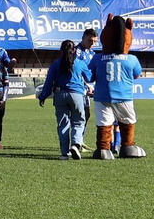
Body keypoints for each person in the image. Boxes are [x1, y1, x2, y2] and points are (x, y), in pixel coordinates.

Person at [88, 26, 141, 156]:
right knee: (127, 121)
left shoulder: (97, 58)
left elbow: (90, 76)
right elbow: (137, 75)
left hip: (102, 96)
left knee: (104, 123)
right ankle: (127, 147)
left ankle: (103, 150)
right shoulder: (132, 59)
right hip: (124, 96)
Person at [38, 40, 90, 159]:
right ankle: (76, 145)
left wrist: (43, 96)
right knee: (78, 121)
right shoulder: (80, 63)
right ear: (74, 50)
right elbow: (90, 77)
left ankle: (64, 153)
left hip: (60, 94)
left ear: (61, 50)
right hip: (76, 95)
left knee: (63, 124)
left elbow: (49, 82)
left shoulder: (55, 64)